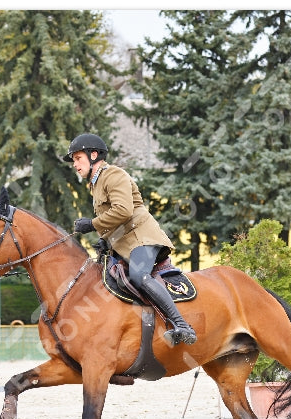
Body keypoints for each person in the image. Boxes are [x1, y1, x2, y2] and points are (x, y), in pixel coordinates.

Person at [62, 133, 197, 346]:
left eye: (78, 158)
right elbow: (114, 220)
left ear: (93, 155)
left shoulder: (113, 174)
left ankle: (182, 325)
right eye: (74, 161)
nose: (75, 165)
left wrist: (92, 224)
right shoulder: (95, 184)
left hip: (142, 238)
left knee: (138, 275)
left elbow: (123, 211)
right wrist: (104, 240)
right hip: (125, 243)